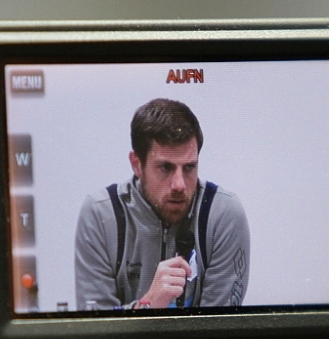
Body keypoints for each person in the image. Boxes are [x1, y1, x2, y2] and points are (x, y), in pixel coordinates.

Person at [75, 98, 250, 310]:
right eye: (166, 168)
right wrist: (149, 305)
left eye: (189, 167)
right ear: (136, 164)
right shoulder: (101, 214)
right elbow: (95, 326)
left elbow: (220, 327)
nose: (179, 185)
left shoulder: (222, 214)